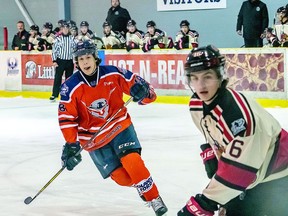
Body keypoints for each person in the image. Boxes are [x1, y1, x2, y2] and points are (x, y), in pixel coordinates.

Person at [57, 40, 168, 216]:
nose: (85, 62)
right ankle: (142, 186)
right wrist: (71, 144)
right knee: (123, 179)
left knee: (133, 162)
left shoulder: (114, 73)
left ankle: (154, 198)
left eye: (88, 57)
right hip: (93, 140)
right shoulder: (70, 87)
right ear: (76, 62)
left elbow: (147, 90)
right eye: (81, 59)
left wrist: (144, 93)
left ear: (95, 58)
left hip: (119, 126)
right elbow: (67, 118)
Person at [177, 45, 288, 216]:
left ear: (220, 76)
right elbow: (215, 134)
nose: (201, 85)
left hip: (279, 176)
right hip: (253, 173)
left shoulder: (238, 117)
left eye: (207, 77)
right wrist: (213, 152)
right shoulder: (197, 105)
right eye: (194, 78)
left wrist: (205, 203)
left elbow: (240, 173)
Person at [50, 22, 76, 102]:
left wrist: (76, 60)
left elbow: (75, 49)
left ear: (69, 29)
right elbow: (54, 50)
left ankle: (68, 94)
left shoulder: (72, 39)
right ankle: (54, 94)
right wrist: (54, 61)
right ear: (61, 29)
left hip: (69, 61)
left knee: (69, 79)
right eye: (63, 28)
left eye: (66, 28)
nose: (65, 30)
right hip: (60, 61)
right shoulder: (58, 39)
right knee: (58, 78)